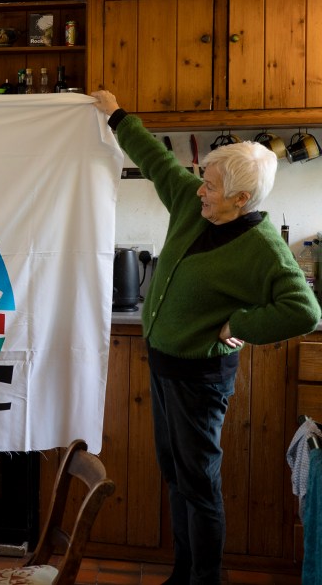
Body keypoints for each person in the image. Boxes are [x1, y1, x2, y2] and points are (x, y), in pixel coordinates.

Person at [91, 90, 320, 584]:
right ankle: (183, 573)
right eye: (203, 180)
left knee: (198, 485)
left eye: (211, 187)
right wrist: (116, 114)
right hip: (165, 367)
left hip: (200, 378)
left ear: (241, 198)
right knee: (176, 476)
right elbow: (154, 159)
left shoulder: (261, 248)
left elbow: (303, 310)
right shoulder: (191, 205)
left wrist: (238, 325)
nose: (200, 190)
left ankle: (204, 580)